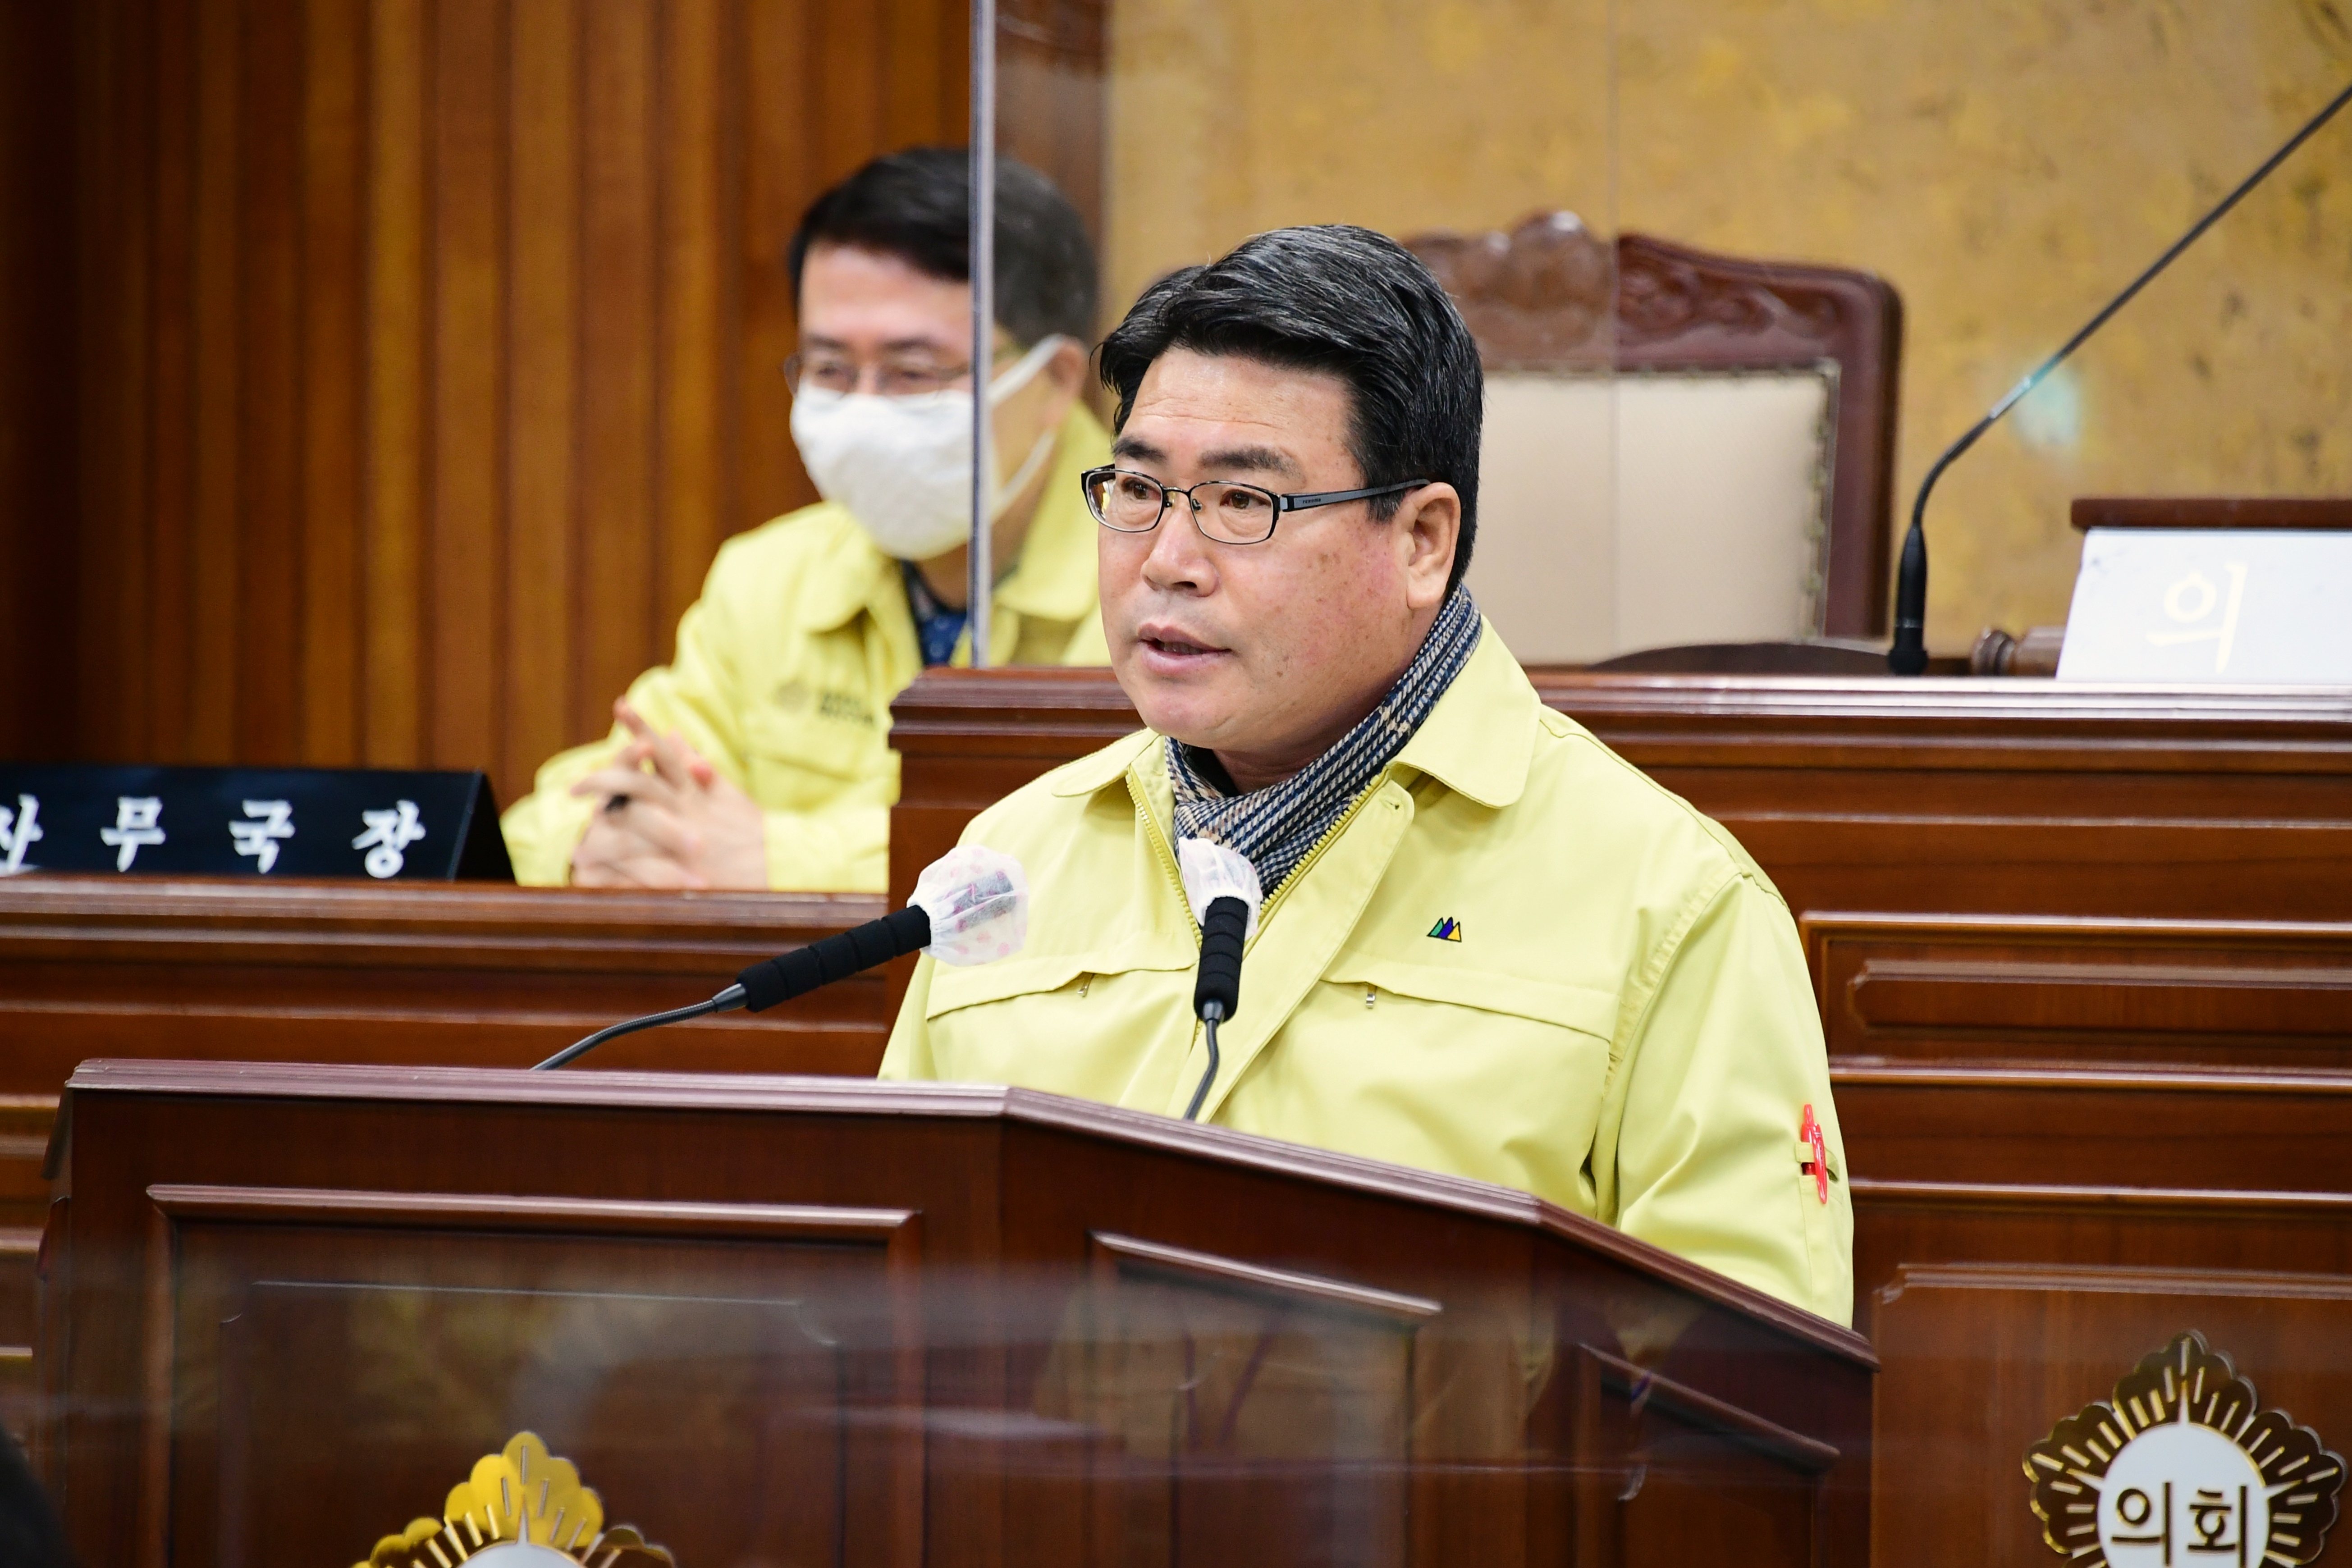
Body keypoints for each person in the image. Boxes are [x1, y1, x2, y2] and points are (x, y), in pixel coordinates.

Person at [879, 225, 1853, 1324]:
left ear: (1422, 541)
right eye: (1138, 490)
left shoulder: (1667, 905)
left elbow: (1742, 1402)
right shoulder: (1012, 866)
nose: (1165, 561)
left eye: (1244, 504)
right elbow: (895, 1314)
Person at [500, 148, 1112, 892]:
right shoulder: (771, 577)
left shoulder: (1158, 575)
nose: (862, 411)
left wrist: (774, 863)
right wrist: (596, 844)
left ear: (1052, 382)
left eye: (912, 372)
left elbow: (1089, 859)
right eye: (829, 369)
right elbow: (575, 804)